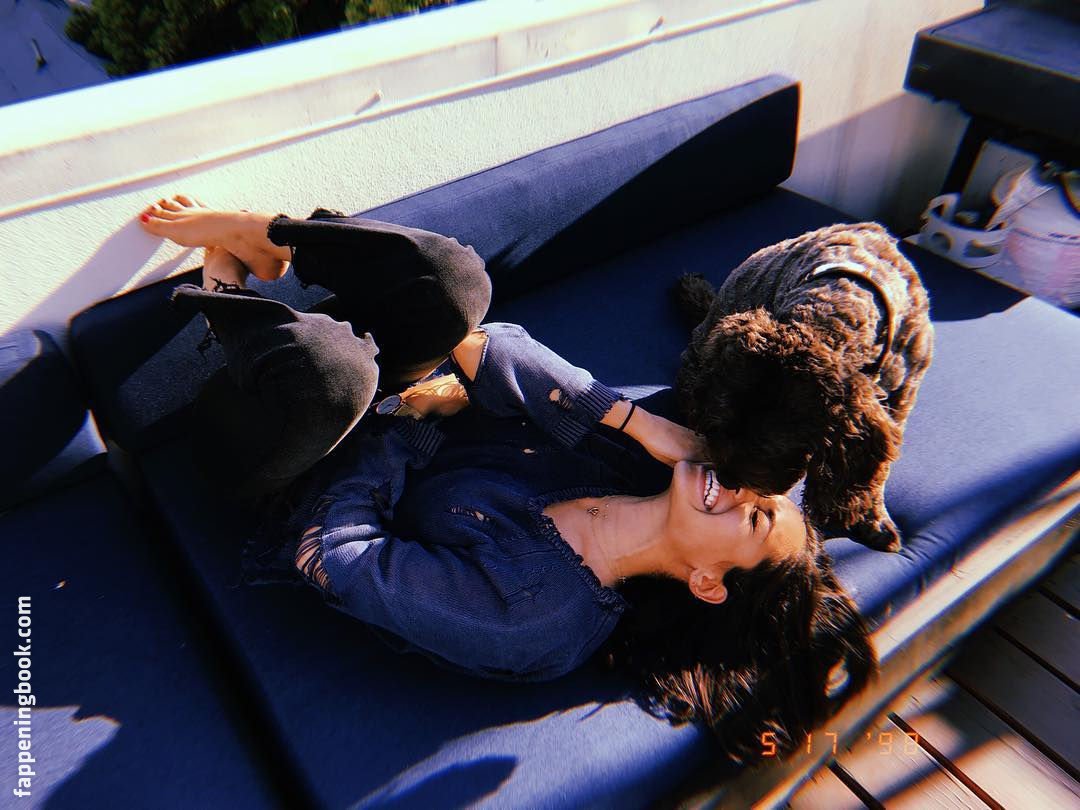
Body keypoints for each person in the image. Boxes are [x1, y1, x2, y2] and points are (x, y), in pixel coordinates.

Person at [139, 196, 876, 764]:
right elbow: (492, 347)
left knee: (335, 378)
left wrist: (412, 420)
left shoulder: (536, 619)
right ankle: (270, 236)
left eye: (755, 517)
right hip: (400, 401)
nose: (740, 488)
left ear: (708, 583)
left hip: (296, 477)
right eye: (759, 490)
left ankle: (223, 289)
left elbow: (331, 553)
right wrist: (631, 420)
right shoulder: (635, 464)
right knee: (458, 284)